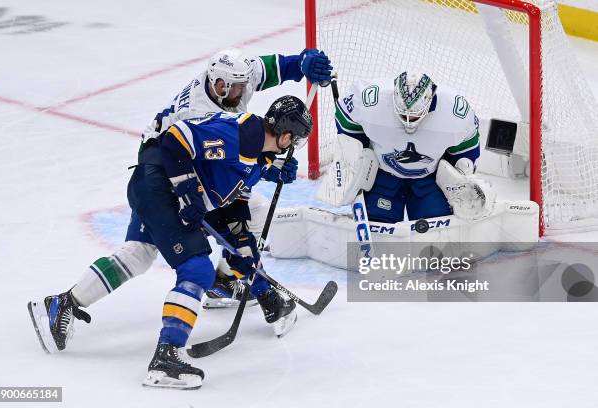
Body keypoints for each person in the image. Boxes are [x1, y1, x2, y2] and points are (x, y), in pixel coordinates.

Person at [27, 48, 332, 354]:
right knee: (221, 237)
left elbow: (270, 69)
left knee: (141, 252)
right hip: (165, 164)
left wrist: (302, 64)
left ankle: (63, 303)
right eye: (233, 88)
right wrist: (192, 192)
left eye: (242, 86)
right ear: (217, 85)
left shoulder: (237, 77)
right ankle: (216, 293)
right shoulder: (200, 112)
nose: (241, 93)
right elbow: (193, 154)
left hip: (166, 169)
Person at [134, 95, 312, 388]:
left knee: (242, 248)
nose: (295, 147)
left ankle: (265, 296)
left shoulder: (259, 156)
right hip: (160, 189)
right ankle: (165, 358)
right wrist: (187, 190)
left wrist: (243, 245)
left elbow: (233, 202)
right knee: (197, 270)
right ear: (286, 135)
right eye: (297, 139)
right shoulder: (238, 134)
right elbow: (175, 139)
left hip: (186, 199)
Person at [317, 71, 484, 222]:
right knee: (376, 223)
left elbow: (467, 148)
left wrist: (459, 173)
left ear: (430, 101)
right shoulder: (372, 99)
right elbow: (346, 119)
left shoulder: (453, 112)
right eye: (403, 113)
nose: (408, 120)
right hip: (383, 175)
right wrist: (355, 151)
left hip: (429, 180)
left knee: (435, 228)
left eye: (414, 115)